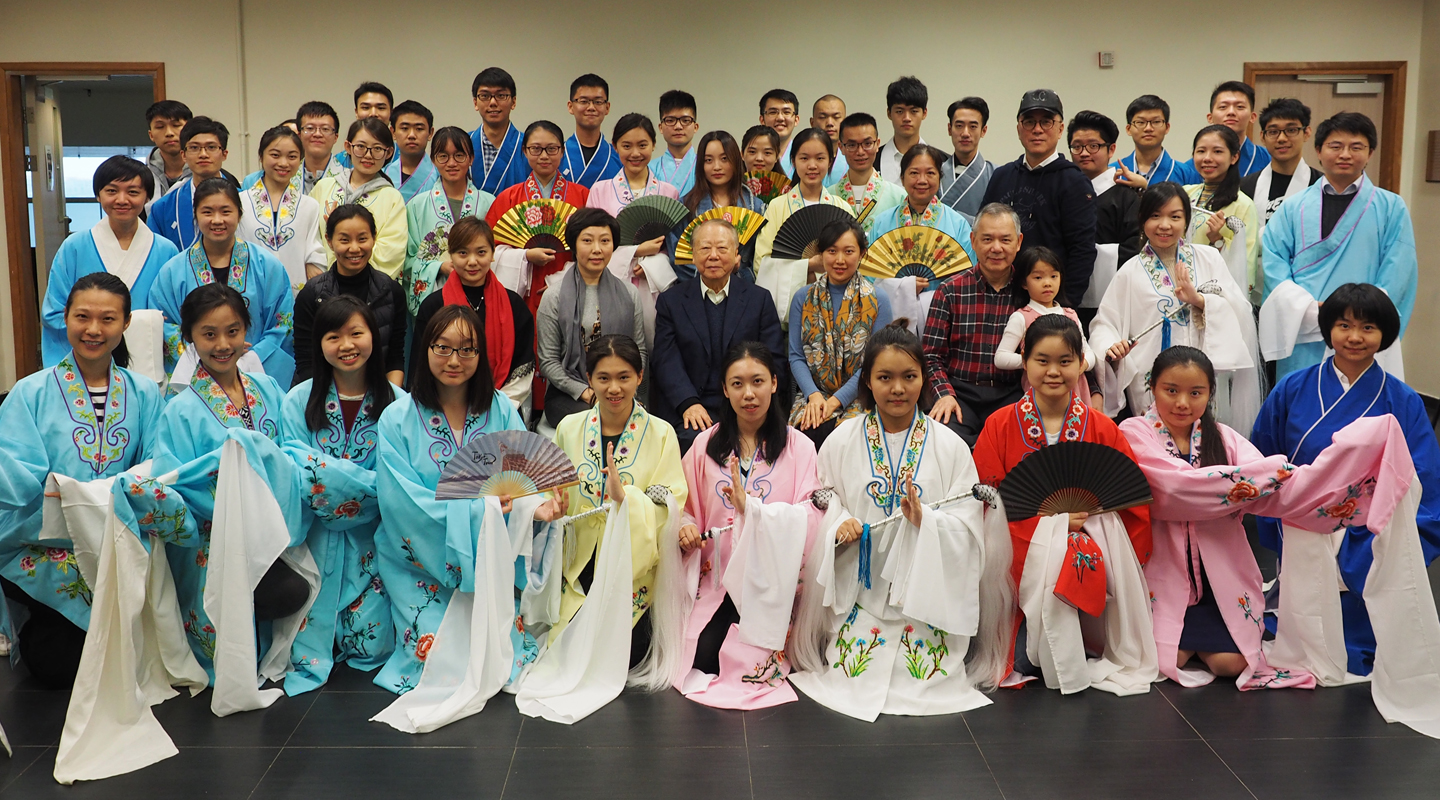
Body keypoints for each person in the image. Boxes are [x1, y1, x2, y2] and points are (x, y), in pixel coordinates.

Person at [787, 320, 1014, 721]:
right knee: (854, 678)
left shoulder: (952, 446)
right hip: (861, 592)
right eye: (885, 377)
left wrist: (927, 521)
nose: (897, 389)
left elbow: (968, 528)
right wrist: (838, 524)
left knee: (921, 678)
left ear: (924, 380)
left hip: (925, 601)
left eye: (909, 377)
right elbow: (823, 499)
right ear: (868, 382)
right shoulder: (841, 439)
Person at [1252, 284, 1440, 679]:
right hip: (1302, 521)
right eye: (1344, 325)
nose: (1355, 337)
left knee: (1362, 634)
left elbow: (1423, 478)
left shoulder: (1402, 400)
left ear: (1385, 334)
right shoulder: (1292, 388)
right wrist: (1283, 511)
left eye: (1368, 327)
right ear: (1327, 329)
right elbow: (1262, 458)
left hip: (1371, 528)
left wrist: (1389, 530)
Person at [972, 315, 1153, 695]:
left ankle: (1086, 632)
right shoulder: (999, 426)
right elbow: (986, 508)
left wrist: (1088, 527)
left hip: (1091, 560)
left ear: (1082, 364)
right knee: (1027, 659)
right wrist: (1050, 529)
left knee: (1061, 648)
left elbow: (1131, 509)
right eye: (1042, 360)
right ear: (1025, 361)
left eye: (1065, 361)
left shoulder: (1104, 429)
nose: (1053, 372)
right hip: (1020, 566)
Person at [512, 335, 688, 724]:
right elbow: (550, 490)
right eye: (603, 377)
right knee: (573, 647)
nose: (614, 388)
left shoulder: (661, 433)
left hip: (632, 566)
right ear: (588, 380)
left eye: (624, 377)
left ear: (639, 377)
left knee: (626, 653)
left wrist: (628, 501)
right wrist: (552, 506)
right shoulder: (569, 428)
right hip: (578, 563)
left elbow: (671, 500)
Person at [0, 274, 164, 689]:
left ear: (125, 323)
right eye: (82, 317)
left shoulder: (145, 393)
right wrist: (68, 497)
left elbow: (157, 463)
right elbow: (16, 472)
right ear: (65, 319)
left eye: (107, 319)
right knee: (59, 667)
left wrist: (109, 496)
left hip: (117, 534)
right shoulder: (29, 392)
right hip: (43, 539)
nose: (93, 329)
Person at [1118, 346, 1315, 691]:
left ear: (1210, 392)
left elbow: (1263, 481)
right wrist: (1256, 479)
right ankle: (1185, 640)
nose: (1183, 403)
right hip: (1161, 568)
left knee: (1231, 665)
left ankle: (1197, 639)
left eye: (1196, 393)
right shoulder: (1135, 431)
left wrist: (1312, 480)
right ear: (1153, 388)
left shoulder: (1223, 436)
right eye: (1171, 390)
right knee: (1169, 660)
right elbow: (1174, 489)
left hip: (1219, 573)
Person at [151, 283, 313, 683]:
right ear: (189, 337)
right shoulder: (180, 409)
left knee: (302, 587)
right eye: (208, 334)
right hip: (218, 538)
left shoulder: (269, 389)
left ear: (247, 331)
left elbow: (292, 452)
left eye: (233, 331)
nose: (223, 344)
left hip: (276, 527)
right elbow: (177, 482)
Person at [372, 304, 533, 694]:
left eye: (467, 350)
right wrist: (481, 508)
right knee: (442, 663)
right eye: (442, 348)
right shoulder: (396, 419)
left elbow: (522, 479)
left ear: (481, 355)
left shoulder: (501, 411)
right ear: (425, 349)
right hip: (421, 566)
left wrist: (534, 505)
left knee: (498, 659)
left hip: (490, 562)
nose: (454, 360)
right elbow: (401, 505)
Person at [671, 342, 821, 708]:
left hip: (773, 586)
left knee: (750, 657)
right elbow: (685, 507)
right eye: (737, 384)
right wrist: (686, 527)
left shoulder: (800, 447)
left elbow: (812, 516)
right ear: (724, 389)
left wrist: (754, 512)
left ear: (774, 383)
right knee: (704, 657)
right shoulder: (705, 445)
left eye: (757, 381)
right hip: (718, 580)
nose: (748, 394)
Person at [281, 296, 401, 695]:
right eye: (334, 336)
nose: (346, 345)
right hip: (313, 542)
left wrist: (332, 479)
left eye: (356, 333)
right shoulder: (298, 400)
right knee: (300, 642)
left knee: (374, 645)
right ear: (320, 344)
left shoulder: (400, 405)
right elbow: (293, 470)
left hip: (375, 545)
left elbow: (398, 483)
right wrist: (365, 485)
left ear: (374, 337)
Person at [1089, 182, 1260, 433]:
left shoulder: (1209, 258)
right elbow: (1105, 323)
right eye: (1155, 216)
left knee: (1203, 437)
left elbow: (1239, 309)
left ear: (1187, 221)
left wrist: (1199, 300)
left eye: (1175, 216)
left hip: (1202, 370)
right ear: (1142, 220)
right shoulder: (1129, 272)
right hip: (1150, 374)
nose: (1165, 225)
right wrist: (1110, 345)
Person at [1259, 112, 1415, 379]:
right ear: (1319, 151)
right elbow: (1274, 265)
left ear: (1370, 153)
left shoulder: (1391, 208)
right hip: (1305, 330)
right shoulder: (1292, 208)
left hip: (1362, 331)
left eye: (1356, 147)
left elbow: (1398, 272)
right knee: (1303, 406)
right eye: (1335, 146)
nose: (1345, 154)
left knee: (1364, 415)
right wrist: (1309, 311)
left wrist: (1360, 319)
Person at [652, 219, 786, 452]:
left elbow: (773, 359)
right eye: (705, 248)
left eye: (722, 248)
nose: (713, 255)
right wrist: (688, 403)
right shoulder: (671, 301)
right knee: (690, 440)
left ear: (737, 255)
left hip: (747, 403)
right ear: (692, 255)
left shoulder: (759, 300)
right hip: (693, 405)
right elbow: (666, 360)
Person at [149, 177, 296, 384]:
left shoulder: (268, 267)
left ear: (239, 214)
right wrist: (202, 350)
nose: (217, 220)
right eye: (207, 212)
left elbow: (283, 323)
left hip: (256, 371)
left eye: (226, 212)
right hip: (195, 375)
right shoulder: (173, 271)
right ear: (195, 215)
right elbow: (162, 324)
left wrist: (250, 356)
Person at [41, 156, 178, 366]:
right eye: (111, 191)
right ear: (98, 195)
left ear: (148, 197)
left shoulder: (166, 250)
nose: (122, 200)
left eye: (133, 192)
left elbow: (175, 315)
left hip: (147, 361)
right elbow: (55, 312)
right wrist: (94, 329)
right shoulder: (74, 247)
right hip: (86, 358)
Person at [980, 90, 1097, 307]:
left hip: (1049, 304)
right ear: (1018, 128)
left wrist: (1064, 307)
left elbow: (1082, 252)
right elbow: (983, 237)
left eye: (1046, 122)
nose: (1037, 130)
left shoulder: (1074, 182)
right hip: (998, 300)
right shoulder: (1001, 176)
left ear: (1061, 128)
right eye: (1029, 122)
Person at [921, 203, 1025, 446]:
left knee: (1016, 444)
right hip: (959, 392)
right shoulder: (950, 291)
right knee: (942, 440)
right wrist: (944, 394)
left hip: (1011, 394)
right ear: (973, 240)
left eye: (1005, 240)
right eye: (987, 239)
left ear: (1019, 242)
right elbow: (930, 356)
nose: (996, 248)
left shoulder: (1031, 290)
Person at [535, 208, 647, 427]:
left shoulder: (629, 294)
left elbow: (639, 350)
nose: (597, 249)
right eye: (587, 241)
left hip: (620, 389)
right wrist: (587, 392)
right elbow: (548, 361)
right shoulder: (554, 296)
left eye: (605, 241)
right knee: (596, 420)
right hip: (569, 394)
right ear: (574, 245)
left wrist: (633, 393)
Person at [787, 218, 893, 447]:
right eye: (832, 251)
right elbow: (796, 356)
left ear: (862, 253)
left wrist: (836, 401)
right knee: (806, 434)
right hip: (813, 394)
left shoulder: (878, 300)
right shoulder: (802, 297)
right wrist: (813, 396)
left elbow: (875, 364)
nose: (840, 260)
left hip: (862, 396)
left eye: (849, 251)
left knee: (848, 441)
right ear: (821, 253)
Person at [411, 217, 535, 409]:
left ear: (493, 254)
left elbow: (523, 363)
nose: (472, 261)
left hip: (504, 405)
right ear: (450, 255)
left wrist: (499, 406)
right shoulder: (434, 306)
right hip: (442, 405)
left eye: (481, 252)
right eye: (462, 253)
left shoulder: (514, 305)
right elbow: (421, 364)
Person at [293, 204, 407, 387]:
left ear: (374, 237)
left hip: (377, 395)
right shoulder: (312, 294)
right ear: (329, 241)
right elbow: (306, 361)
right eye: (344, 240)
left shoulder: (392, 292)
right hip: (320, 393)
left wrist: (389, 404)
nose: (354, 249)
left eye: (362, 239)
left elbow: (394, 358)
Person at [485, 120, 592, 309]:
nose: (544, 156)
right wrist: (525, 255)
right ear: (525, 151)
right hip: (523, 293)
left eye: (551, 148)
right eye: (535, 149)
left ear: (562, 151)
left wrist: (562, 279)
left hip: (572, 287)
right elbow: (489, 250)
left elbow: (595, 245)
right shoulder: (508, 198)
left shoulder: (583, 195)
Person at [753, 129, 852, 327]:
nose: (812, 165)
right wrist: (808, 265)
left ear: (831, 161)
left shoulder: (842, 207)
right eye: (804, 158)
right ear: (793, 160)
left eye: (820, 158)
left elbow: (855, 258)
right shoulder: (777, 206)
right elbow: (761, 263)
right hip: (790, 313)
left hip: (836, 312)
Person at [402, 126, 497, 315]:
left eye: (459, 155)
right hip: (437, 298)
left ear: (471, 158)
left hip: (481, 294)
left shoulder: (489, 202)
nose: (451, 163)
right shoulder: (417, 206)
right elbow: (406, 261)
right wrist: (438, 266)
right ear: (433, 160)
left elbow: (498, 253)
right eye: (443, 156)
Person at [994, 246, 1097, 405]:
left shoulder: (1070, 314)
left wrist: (1081, 365)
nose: (1047, 283)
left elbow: (1088, 353)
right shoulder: (1021, 317)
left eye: (1053, 276)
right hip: (1041, 390)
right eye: (1038, 278)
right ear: (1024, 283)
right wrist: (1034, 362)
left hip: (1075, 389)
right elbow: (1000, 357)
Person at [310, 117, 408, 280]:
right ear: (348, 146)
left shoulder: (392, 197)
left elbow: (391, 251)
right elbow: (309, 236)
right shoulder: (324, 187)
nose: (368, 156)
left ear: (389, 152)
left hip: (369, 289)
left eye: (377, 148)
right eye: (361, 147)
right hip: (322, 284)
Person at [1067, 111, 1141, 315]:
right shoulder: (1064, 193)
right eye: (1077, 146)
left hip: (1114, 303)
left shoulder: (1127, 196)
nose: (1083, 153)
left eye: (1093, 146)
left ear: (1111, 149)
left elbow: (1135, 247)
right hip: (1065, 299)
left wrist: (1085, 254)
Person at [237, 126, 327, 295]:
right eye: (275, 155)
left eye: (292, 156)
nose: (284, 163)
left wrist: (314, 264)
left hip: (296, 296)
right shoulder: (240, 202)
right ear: (261, 157)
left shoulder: (309, 205)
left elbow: (315, 250)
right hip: (251, 294)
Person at [675, 130, 768, 282]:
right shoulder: (686, 207)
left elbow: (761, 259)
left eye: (724, 159)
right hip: (698, 291)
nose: (717, 167)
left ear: (736, 160)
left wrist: (738, 269)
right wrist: (708, 270)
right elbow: (678, 259)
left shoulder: (756, 207)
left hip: (744, 291)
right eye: (708, 160)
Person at [1184, 125, 1261, 303]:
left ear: (1234, 157)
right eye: (1201, 151)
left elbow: (1246, 267)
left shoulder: (1243, 205)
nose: (1207, 158)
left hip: (1217, 299)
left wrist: (1218, 240)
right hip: (1179, 288)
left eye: (1217, 151)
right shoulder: (1185, 194)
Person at [868, 144, 977, 257]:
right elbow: (871, 270)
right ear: (902, 178)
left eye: (930, 173)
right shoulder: (881, 223)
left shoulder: (958, 225)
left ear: (940, 177)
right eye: (914, 173)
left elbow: (968, 271)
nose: (922, 180)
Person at [147, 116, 234, 252]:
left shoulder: (244, 200)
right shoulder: (163, 208)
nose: (203, 154)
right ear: (183, 155)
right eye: (194, 147)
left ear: (224, 154)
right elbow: (157, 256)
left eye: (211, 147)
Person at [1240, 98, 1320, 231]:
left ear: (1306, 133)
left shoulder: (1321, 186)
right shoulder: (1245, 187)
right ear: (1262, 136)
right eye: (1273, 132)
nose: (1282, 138)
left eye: (1291, 130)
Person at [826, 113, 906, 238]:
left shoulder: (899, 197)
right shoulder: (828, 197)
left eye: (867, 144)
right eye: (852, 145)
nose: (860, 152)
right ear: (841, 147)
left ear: (877, 144)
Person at [586, 113, 680, 215]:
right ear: (615, 146)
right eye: (627, 146)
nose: (635, 154)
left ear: (653, 144)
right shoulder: (599, 191)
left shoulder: (670, 193)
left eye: (642, 145)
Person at [1177, 81, 1271, 182]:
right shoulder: (1190, 168)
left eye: (1240, 107)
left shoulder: (1269, 160)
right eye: (1223, 107)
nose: (1231, 112)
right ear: (1210, 117)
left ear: (1252, 117)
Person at [469, 67, 530, 195]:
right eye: (485, 96)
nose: (492, 102)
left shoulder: (530, 146)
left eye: (501, 96)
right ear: (475, 102)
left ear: (513, 102)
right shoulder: (463, 145)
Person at [938, 97, 994, 222]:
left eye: (973, 126)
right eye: (959, 126)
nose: (965, 133)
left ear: (983, 131)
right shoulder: (933, 172)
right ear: (949, 129)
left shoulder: (996, 175)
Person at [561, 73, 621, 188]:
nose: (591, 107)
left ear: (607, 107)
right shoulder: (557, 156)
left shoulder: (618, 157)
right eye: (584, 101)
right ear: (570, 106)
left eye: (598, 102)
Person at [1113, 95, 1189, 186]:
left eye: (1156, 122)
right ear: (1129, 129)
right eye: (1140, 122)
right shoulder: (1112, 172)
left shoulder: (1186, 174)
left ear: (1167, 127)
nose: (1148, 128)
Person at [874, 76, 929, 185]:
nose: (907, 118)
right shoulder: (872, 160)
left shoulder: (941, 161)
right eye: (899, 111)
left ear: (924, 113)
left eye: (914, 111)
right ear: (889, 113)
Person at [330, 82, 395, 173]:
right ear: (356, 112)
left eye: (380, 108)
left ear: (391, 113)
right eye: (366, 107)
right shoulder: (339, 162)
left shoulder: (402, 159)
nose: (373, 113)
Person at [382, 100, 438, 202]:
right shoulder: (382, 176)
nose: (411, 135)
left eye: (419, 129)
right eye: (404, 128)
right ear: (393, 132)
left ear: (430, 133)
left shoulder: (440, 177)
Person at [650, 90, 701, 196]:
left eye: (685, 120)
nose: (678, 126)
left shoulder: (704, 166)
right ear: (661, 127)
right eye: (670, 120)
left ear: (695, 127)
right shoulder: (650, 169)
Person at [144, 99, 192, 201]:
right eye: (160, 127)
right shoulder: (141, 178)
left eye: (176, 125)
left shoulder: (210, 174)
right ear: (151, 135)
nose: (169, 133)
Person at [295, 101, 343, 194]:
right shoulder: (287, 177)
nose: (317, 134)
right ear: (299, 135)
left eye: (325, 129)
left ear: (335, 137)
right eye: (310, 128)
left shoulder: (347, 179)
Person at [760, 89, 802, 177]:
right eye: (773, 112)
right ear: (762, 119)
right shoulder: (754, 157)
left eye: (786, 112)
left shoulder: (804, 156)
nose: (780, 118)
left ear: (796, 120)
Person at [808, 94, 849, 181]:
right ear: (812, 122)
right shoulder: (802, 158)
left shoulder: (854, 158)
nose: (830, 123)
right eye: (823, 117)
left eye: (836, 117)